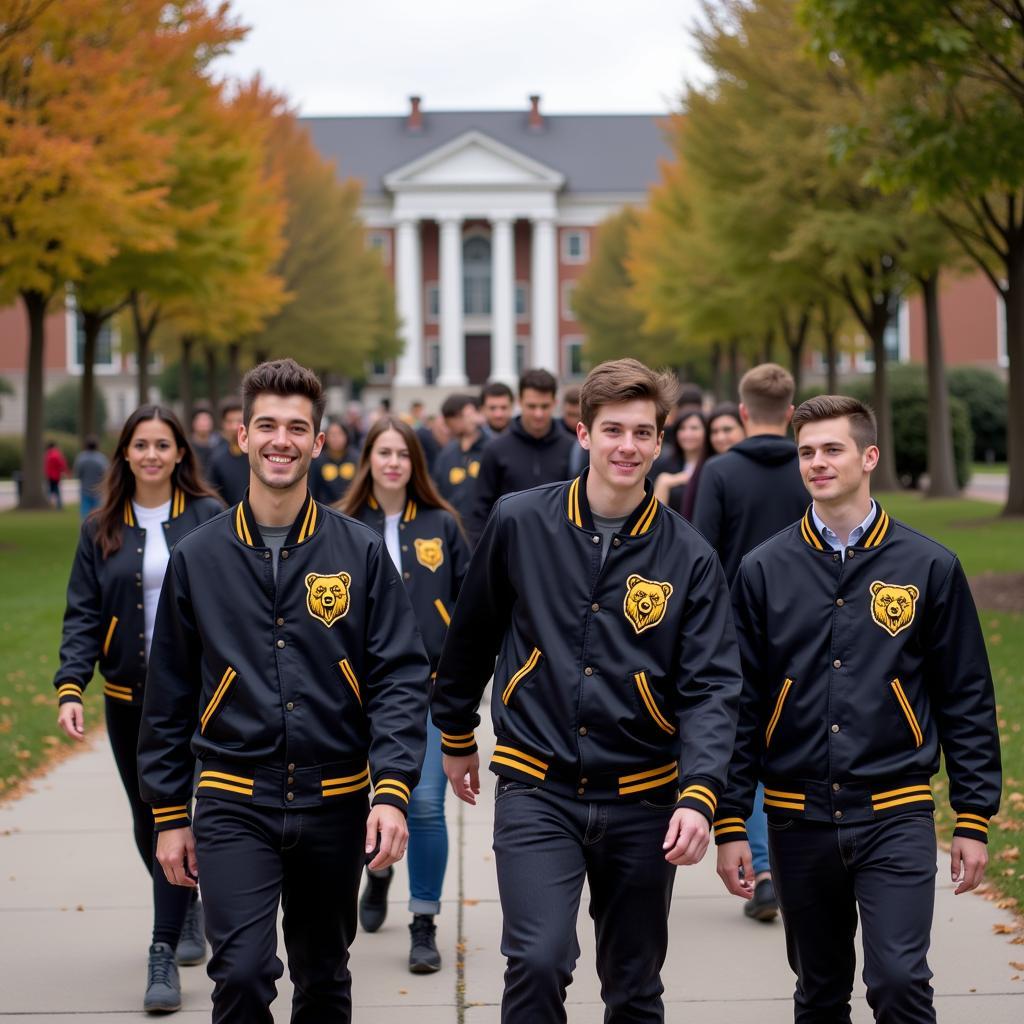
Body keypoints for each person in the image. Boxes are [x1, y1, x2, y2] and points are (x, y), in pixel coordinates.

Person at [432, 357, 743, 1023]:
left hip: (644, 798)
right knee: (538, 961)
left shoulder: (689, 556)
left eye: (641, 433)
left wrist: (700, 792)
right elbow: (472, 634)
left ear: (660, 441)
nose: (626, 446)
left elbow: (713, 686)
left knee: (633, 986)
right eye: (612, 430)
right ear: (584, 433)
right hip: (536, 786)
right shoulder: (520, 523)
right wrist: (456, 733)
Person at [137, 359, 430, 1024]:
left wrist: (391, 790)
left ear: (318, 442)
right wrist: (168, 812)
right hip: (235, 797)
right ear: (241, 436)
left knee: (324, 977)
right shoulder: (199, 557)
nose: (281, 440)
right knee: (240, 974)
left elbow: (398, 678)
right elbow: (170, 692)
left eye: (297, 428)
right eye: (266, 425)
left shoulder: (357, 553)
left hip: (335, 801)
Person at [715, 394, 1001, 1023]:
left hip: (894, 811)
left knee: (900, 982)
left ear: (869, 456)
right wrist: (732, 820)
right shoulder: (763, 570)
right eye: (807, 452)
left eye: (833, 449)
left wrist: (974, 815)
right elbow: (740, 704)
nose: (818, 462)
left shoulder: (928, 566)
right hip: (797, 817)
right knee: (819, 992)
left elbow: (966, 697)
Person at [54, 405, 222, 1013]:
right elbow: (82, 615)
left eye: (163, 444)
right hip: (129, 703)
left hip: (199, 701)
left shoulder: (208, 518)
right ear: (125, 453)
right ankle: (183, 902)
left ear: (181, 453)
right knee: (147, 817)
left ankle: (162, 945)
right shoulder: (100, 526)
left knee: (184, 811)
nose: (152, 454)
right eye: (141, 444)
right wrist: (71, 684)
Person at [342, 418, 470, 973]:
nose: (392, 462)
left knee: (424, 806)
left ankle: (423, 921)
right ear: (367, 458)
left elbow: (470, 609)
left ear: (416, 463)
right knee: (360, 804)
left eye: (403, 454)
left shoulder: (441, 525)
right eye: (383, 452)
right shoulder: (340, 526)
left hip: (430, 690)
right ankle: (378, 870)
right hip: (356, 694)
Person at [693, 364, 809, 922]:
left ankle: (764, 869)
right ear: (790, 413)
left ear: (742, 413)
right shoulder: (813, 468)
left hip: (739, 627)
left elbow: (702, 556)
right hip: (811, 625)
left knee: (751, 744)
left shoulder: (718, 472)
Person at [466, 368, 575, 543]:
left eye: (544, 406)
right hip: (509, 551)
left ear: (555, 403)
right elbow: (481, 510)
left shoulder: (573, 448)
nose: (538, 414)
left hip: (560, 550)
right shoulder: (495, 449)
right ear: (519, 402)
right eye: (531, 406)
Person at [433, 393, 488, 523]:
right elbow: (438, 490)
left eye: (470, 414)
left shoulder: (492, 449)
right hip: (453, 527)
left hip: (485, 527)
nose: (470, 419)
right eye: (465, 415)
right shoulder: (447, 453)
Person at [652, 409, 711, 518]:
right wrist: (664, 482)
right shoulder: (664, 463)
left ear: (706, 432)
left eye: (694, 428)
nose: (687, 434)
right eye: (682, 428)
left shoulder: (712, 465)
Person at [206, 398, 248, 505]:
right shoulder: (217, 459)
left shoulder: (258, 455)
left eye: (239, 421)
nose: (234, 427)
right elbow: (214, 496)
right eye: (229, 422)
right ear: (223, 424)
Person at [310, 419, 359, 504]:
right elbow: (313, 488)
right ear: (325, 438)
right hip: (325, 509)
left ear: (346, 435)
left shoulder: (356, 458)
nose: (336, 438)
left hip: (352, 509)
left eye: (340, 434)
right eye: (332, 435)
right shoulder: (317, 460)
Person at [73, 435, 109, 520]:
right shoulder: (101, 459)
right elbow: (106, 474)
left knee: (85, 514)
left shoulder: (81, 458)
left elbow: (77, 473)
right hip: (98, 490)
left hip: (85, 489)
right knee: (98, 514)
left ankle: (85, 531)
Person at [189, 405, 221, 476]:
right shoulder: (187, 446)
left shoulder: (220, 444)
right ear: (193, 423)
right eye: (200, 420)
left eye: (206, 419)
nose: (204, 423)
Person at [44, 440, 68, 509]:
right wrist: (65, 472)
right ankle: (59, 505)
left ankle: (50, 505)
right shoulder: (56, 454)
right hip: (55, 476)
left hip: (49, 475)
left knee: (50, 491)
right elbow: (62, 464)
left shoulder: (47, 454)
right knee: (56, 491)